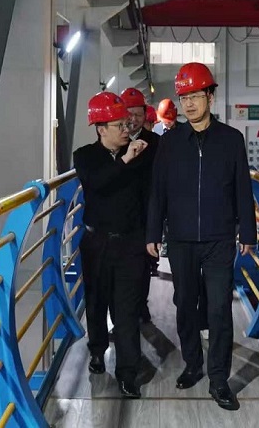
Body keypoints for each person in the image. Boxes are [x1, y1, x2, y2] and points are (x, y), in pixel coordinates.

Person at [146, 63, 256, 411]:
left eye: (195, 95)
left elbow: (242, 188)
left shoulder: (231, 140)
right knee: (185, 305)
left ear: (210, 96)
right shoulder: (170, 142)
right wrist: (153, 232)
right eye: (184, 98)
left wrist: (248, 231)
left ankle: (219, 379)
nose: (189, 104)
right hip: (180, 239)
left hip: (219, 238)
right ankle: (193, 364)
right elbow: (158, 190)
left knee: (220, 308)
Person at [73, 91, 151, 399]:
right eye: (119, 125)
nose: (125, 130)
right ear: (101, 129)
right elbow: (96, 183)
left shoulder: (139, 156)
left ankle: (128, 373)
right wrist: (126, 160)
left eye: (126, 124)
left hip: (130, 243)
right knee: (96, 301)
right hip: (96, 243)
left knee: (127, 309)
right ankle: (97, 350)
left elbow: (147, 197)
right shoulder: (84, 156)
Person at [120, 88, 160, 319]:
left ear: (145, 115)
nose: (133, 119)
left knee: (144, 264)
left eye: (138, 114)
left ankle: (141, 306)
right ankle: (123, 314)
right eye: (129, 114)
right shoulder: (115, 142)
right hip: (120, 216)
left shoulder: (156, 143)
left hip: (146, 214)